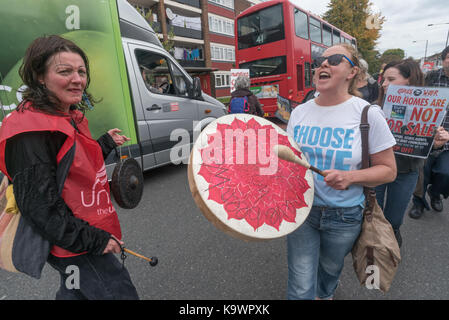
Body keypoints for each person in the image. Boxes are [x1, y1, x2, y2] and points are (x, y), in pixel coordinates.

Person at [0, 35, 139, 299]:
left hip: (83, 227)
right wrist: (94, 240)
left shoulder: (63, 114)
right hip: (74, 240)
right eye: (65, 71)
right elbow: (40, 206)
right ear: (40, 76)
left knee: (75, 291)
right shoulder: (29, 130)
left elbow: (73, 163)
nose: (78, 79)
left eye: (81, 71)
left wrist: (106, 143)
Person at [286, 43, 397, 300]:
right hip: (302, 210)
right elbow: (291, 162)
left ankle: (324, 295)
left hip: (345, 215)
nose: (323, 64)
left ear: (352, 72)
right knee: (301, 282)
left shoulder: (368, 114)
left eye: (334, 59)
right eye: (319, 60)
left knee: (329, 271)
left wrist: (350, 177)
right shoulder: (299, 113)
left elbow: (389, 171)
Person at [374, 59, 425, 247]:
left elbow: (429, 145)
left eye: (391, 79)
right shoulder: (374, 108)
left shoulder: (428, 109)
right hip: (377, 170)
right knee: (374, 217)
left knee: (394, 219)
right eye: (383, 79)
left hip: (406, 171)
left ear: (409, 81)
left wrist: (437, 142)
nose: (384, 84)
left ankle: (392, 240)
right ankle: (374, 250)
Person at [408, 46, 449, 219]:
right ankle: (418, 203)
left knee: (445, 173)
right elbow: (416, 101)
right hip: (426, 136)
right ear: (444, 59)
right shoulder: (430, 77)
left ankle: (435, 193)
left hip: (447, 140)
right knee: (421, 176)